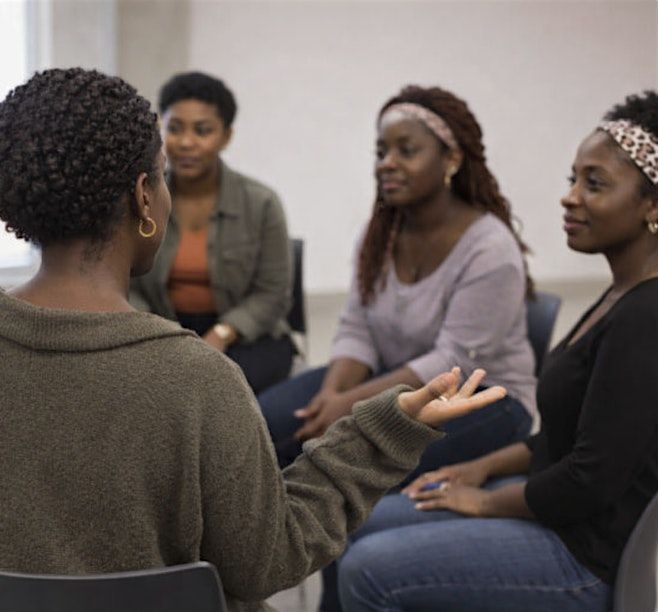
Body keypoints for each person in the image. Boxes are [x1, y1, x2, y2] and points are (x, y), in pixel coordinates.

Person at [0, 68, 505, 612]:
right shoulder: (194, 379)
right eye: (160, 175)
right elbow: (267, 562)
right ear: (142, 197)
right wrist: (382, 432)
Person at [332, 90, 658, 612]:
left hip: (583, 557)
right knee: (356, 520)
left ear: (652, 206)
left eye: (593, 184)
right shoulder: (620, 294)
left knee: (368, 570)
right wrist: (479, 468)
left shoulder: (646, 316)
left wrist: (485, 502)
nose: (569, 197)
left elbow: (589, 481)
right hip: (555, 512)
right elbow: (563, 438)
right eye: (572, 179)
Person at [260, 85, 537, 475]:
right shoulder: (380, 235)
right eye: (381, 152)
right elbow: (357, 328)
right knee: (262, 423)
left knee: (348, 455)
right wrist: (331, 395)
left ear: (452, 159)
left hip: (480, 397)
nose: (386, 164)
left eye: (406, 151)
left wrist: (352, 407)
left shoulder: (490, 249)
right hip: (394, 379)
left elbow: (451, 362)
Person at [129, 71, 294, 394]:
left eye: (202, 130)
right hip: (161, 329)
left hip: (243, 336)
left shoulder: (260, 202)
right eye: (175, 128)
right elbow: (126, 280)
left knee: (221, 390)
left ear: (226, 136)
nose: (186, 142)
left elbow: (273, 293)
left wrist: (222, 333)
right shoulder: (142, 197)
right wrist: (159, 333)